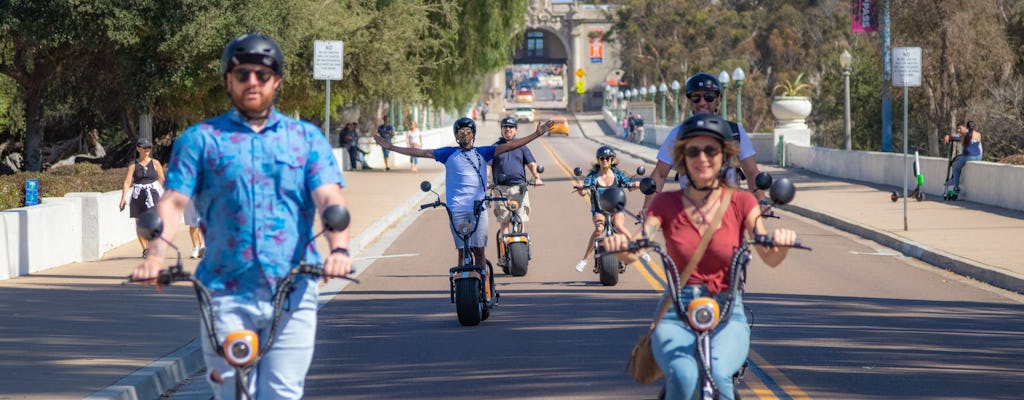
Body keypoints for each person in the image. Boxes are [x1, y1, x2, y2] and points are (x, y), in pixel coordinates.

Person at [130, 33, 352, 400]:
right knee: (232, 392)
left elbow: (329, 198)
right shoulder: (200, 140)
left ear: (276, 81)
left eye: (262, 75)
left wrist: (339, 250)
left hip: (293, 290)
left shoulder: (305, 139)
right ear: (228, 81)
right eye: (242, 74)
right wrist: (155, 257)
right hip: (224, 294)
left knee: (281, 392)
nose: (252, 82)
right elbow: (171, 203)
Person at [603, 113, 796, 400]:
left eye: (711, 150)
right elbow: (640, 245)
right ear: (682, 158)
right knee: (684, 375)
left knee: (718, 373)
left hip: (728, 309)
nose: (702, 157)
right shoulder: (665, 203)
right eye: (693, 150)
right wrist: (623, 246)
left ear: (725, 156)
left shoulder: (742, 202)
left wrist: (780, 244)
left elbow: (768, 255)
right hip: (676, 308)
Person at [374, 117, 553, 268]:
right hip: (457, 210)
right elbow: (421, 152)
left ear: (473, 134)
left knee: (479, 251)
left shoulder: (485, 152)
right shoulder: (447, 154)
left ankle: (484, 290)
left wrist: (537, 134)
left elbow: (512, 146)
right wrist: (391, 147)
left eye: (468, 131)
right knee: (462, 251)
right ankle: (464, 288)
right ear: (456, 136)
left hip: (479, 209)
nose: (465, 135)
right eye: (461, 132)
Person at [644, 73, 764, 211]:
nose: (702, 103)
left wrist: (762, 201)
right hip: (690, 210)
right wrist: (648, 208)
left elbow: (752, 172)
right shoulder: (678, 133)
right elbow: (660, 174)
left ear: (718, 100)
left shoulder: (735, 132)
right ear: (690, 101)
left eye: (709, 97)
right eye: (696, 98)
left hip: (728, 211)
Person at [573, 146, 640, 273]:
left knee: (619, 226)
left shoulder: (617, 174)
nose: (605, 160)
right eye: (602, 158)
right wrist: (581, 188)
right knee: (599, 229)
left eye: (607, 158)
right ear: (598, 160)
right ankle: (585, 259)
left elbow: (629, 185)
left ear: (612, 160)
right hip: (599, 210)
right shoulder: (592, 176)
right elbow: (583, 192)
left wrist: (637, 184)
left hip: (616, 208)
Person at [490, 117, 544, 252]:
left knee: (520, 218)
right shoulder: (495, 147)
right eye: (505, 127)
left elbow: (531, 163)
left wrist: (537, 177)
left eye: (511, 127)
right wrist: (486, 182)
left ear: (515, 130)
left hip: (520, 188)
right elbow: (487, 166)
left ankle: (522, 248)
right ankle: (505, 250)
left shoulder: (522, 146)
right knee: (504, 220)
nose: (508, 129)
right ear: (501, 129)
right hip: (500, 189)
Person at [119, 137, 165, 258]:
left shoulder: (155, 163)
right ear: (138, 149)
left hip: (152, 194)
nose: (147, 149)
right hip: (138, 195)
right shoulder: (133, 165)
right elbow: (127, 182)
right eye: (145, 148)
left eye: (149, 147)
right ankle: (145, 249)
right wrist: (123, 198)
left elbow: (162, 180)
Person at [944, 120, 983, 192]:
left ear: (966, 127)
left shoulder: (964, 135)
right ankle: (954, 181)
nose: (959, 130)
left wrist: (949, 137)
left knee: (956, 169)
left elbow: (962, 143)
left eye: (960, 128)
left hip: (969, 156)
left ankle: (956, 186)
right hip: (978, 156)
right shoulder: (978, 134)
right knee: (958, 158)